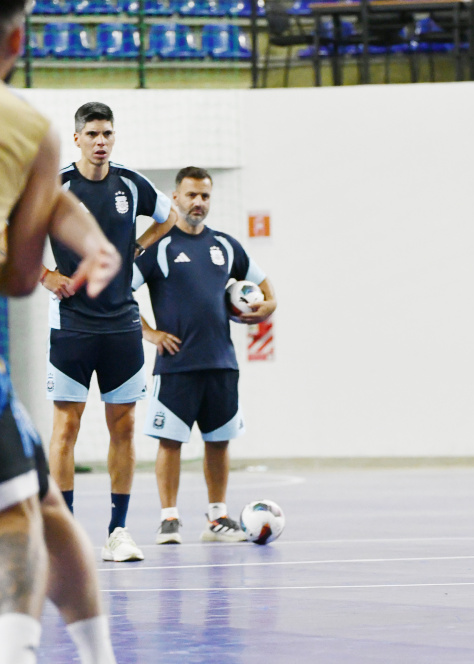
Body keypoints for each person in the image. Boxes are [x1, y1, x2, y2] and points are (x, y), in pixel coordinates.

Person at [0, 1, 121, 660]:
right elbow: (21, 278)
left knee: (36, 501)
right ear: (18, 39)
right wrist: (91, 243)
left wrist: (85, 235)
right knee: (23, 508)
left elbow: (48, 199)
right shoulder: (30, 128)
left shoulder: (37, 138)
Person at [41, 102, 178, 563]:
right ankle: (67, 537)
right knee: (66, 428)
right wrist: (45, 275)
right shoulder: (54, 185)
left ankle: (118, 532)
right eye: (93, 134)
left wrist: (140, 244)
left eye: (108, 134)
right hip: (72, 326)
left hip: (121, 325)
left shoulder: (131, 184)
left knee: (124, 427)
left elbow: (171, 216)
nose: (101, 142)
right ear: (76, 138)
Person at [132, 167, 277, 545]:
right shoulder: (158, 247)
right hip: (176, 365)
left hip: (222, 363)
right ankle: (169, 519)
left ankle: (217, 518)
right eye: (191, 195)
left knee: (218, 441)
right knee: (170, 442)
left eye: (205, 196)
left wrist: (263, 309)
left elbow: (267, 291)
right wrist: (150, 334)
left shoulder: (227, 246)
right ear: (176, 198)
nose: (198, 202)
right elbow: (120, 293)